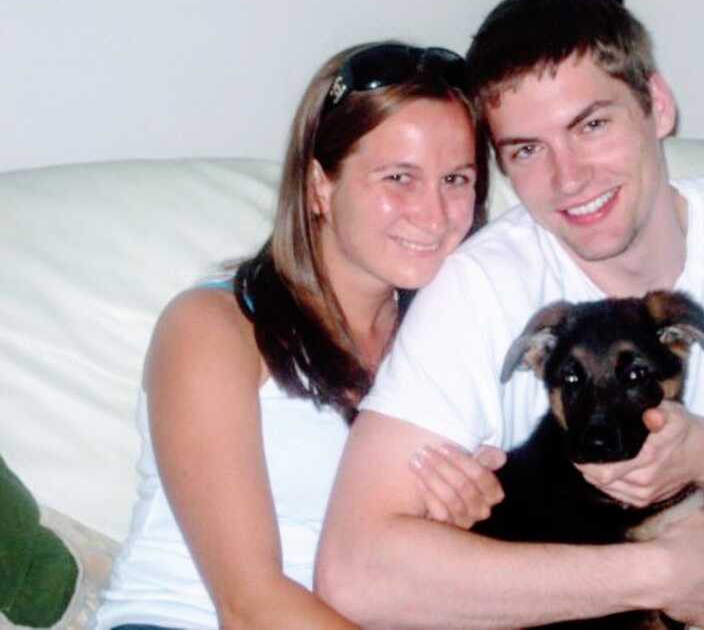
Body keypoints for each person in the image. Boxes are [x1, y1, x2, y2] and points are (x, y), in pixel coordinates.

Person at [315, 0, 704, 628]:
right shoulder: (481, 287)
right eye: (528, 150)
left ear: (658, 104)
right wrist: (659, 575)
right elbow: (355, 571)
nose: (569, 178)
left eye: (591, 125)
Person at [95, 41, 507, 630]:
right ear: (319, 184)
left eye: (456, 179)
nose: (435, 213)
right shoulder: (214, 330)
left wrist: (462, 533)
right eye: (399, 177)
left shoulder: (453, 348)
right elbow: (248, 604)